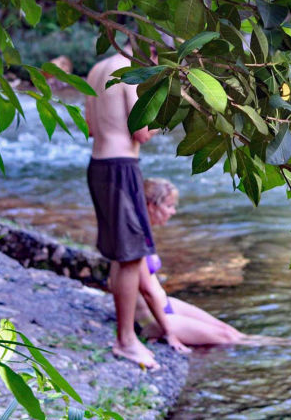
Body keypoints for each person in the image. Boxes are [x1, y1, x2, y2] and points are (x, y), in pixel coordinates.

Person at [85, 47, 189, 370]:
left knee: (122, 254)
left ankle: (125, 335)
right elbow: (141, 133)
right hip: (122, 168)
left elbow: (91, 127)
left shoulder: (97, 69)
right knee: (131, 257)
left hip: (98, 165)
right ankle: (125, 341)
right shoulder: (131, 72)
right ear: (150, 52)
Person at [129, 177, 291, 347]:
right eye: (169, 206)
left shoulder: (145, 233)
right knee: (226, 338)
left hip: (165, 305)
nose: (173, 212)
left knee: (228, 330)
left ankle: (287, 344)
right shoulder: (135, 238)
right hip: (151, 319)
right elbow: (146, 291)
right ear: (151, 206)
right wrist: (169, 333)